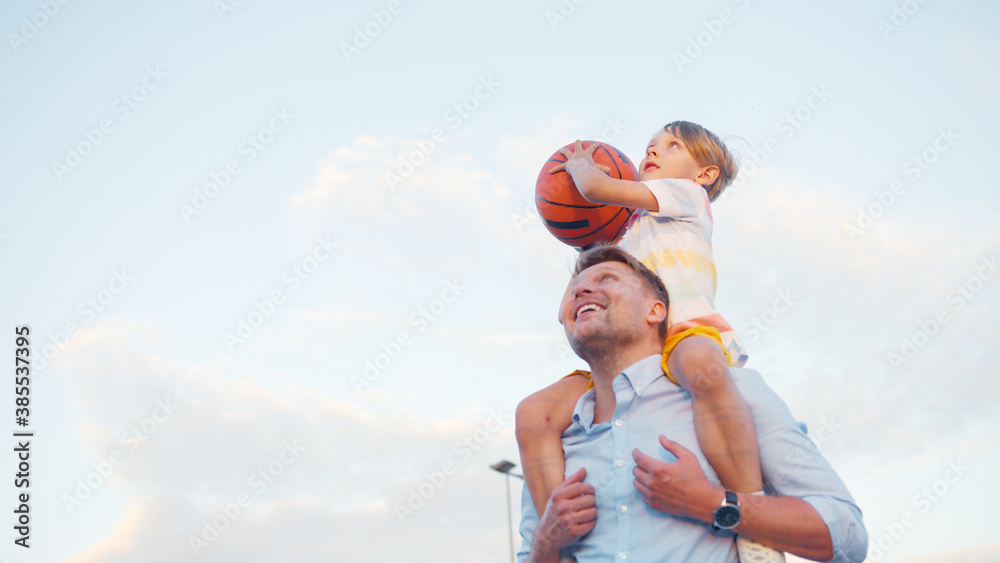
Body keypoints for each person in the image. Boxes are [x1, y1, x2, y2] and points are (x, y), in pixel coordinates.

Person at [516, 246, 868, 563]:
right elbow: (531, 554)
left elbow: (846, 536)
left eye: (607, 278)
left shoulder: (732, 391)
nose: (580, 290)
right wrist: (547, 543)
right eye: (575, 288)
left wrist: (713, 504)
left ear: (655, 310)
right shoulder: (555, 441)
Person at [517, 122, 769, 557]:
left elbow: (595, 187)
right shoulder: (618, 236)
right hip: (623, 354)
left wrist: (578, 167)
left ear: (704, 175)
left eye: (672, 146)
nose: (654, 151)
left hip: (686, 330)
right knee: (534, 411)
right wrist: (585, 247)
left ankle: (753, 523)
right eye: (650, 146)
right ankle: (558, 541)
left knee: (706, 370)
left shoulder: (686, 197)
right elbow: (565, 312)